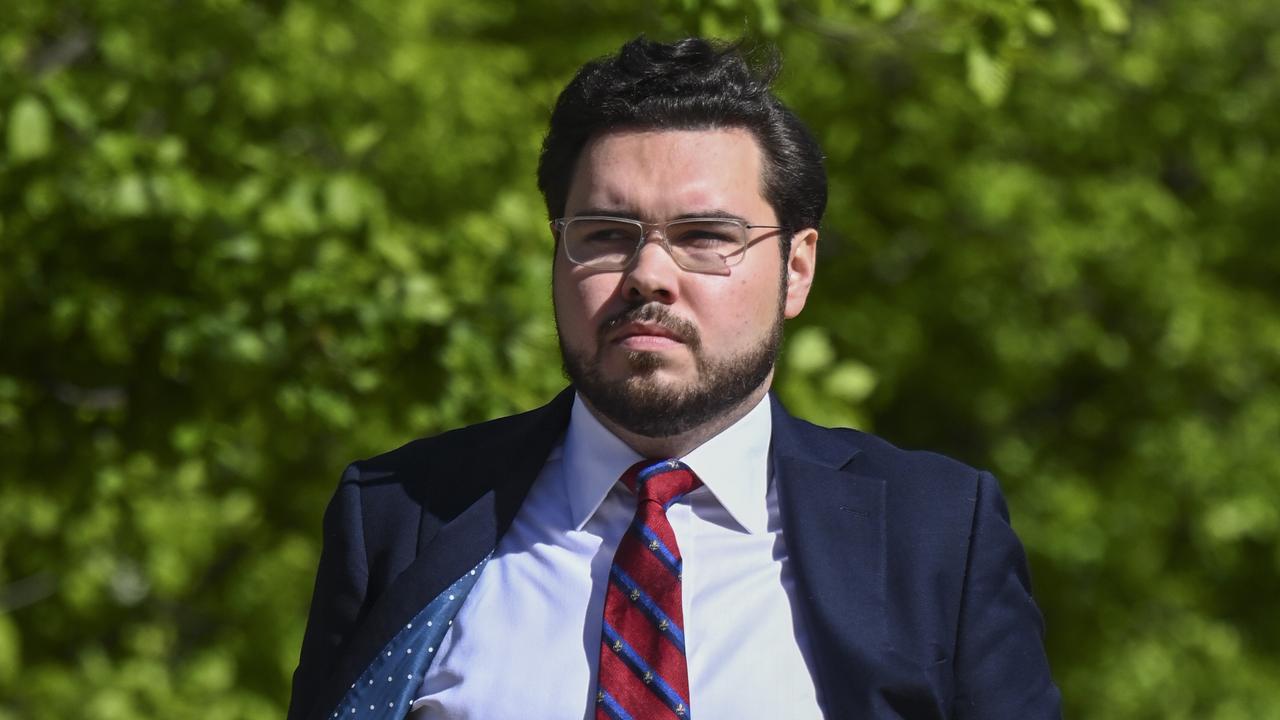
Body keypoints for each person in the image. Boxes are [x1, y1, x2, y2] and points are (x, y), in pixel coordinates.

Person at [287, 36, 1061, 720]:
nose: (647, 273)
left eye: (704, 236)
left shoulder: (936, 533)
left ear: (797, 268)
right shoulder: (402, 513)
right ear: (557, 256)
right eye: (604, 235)